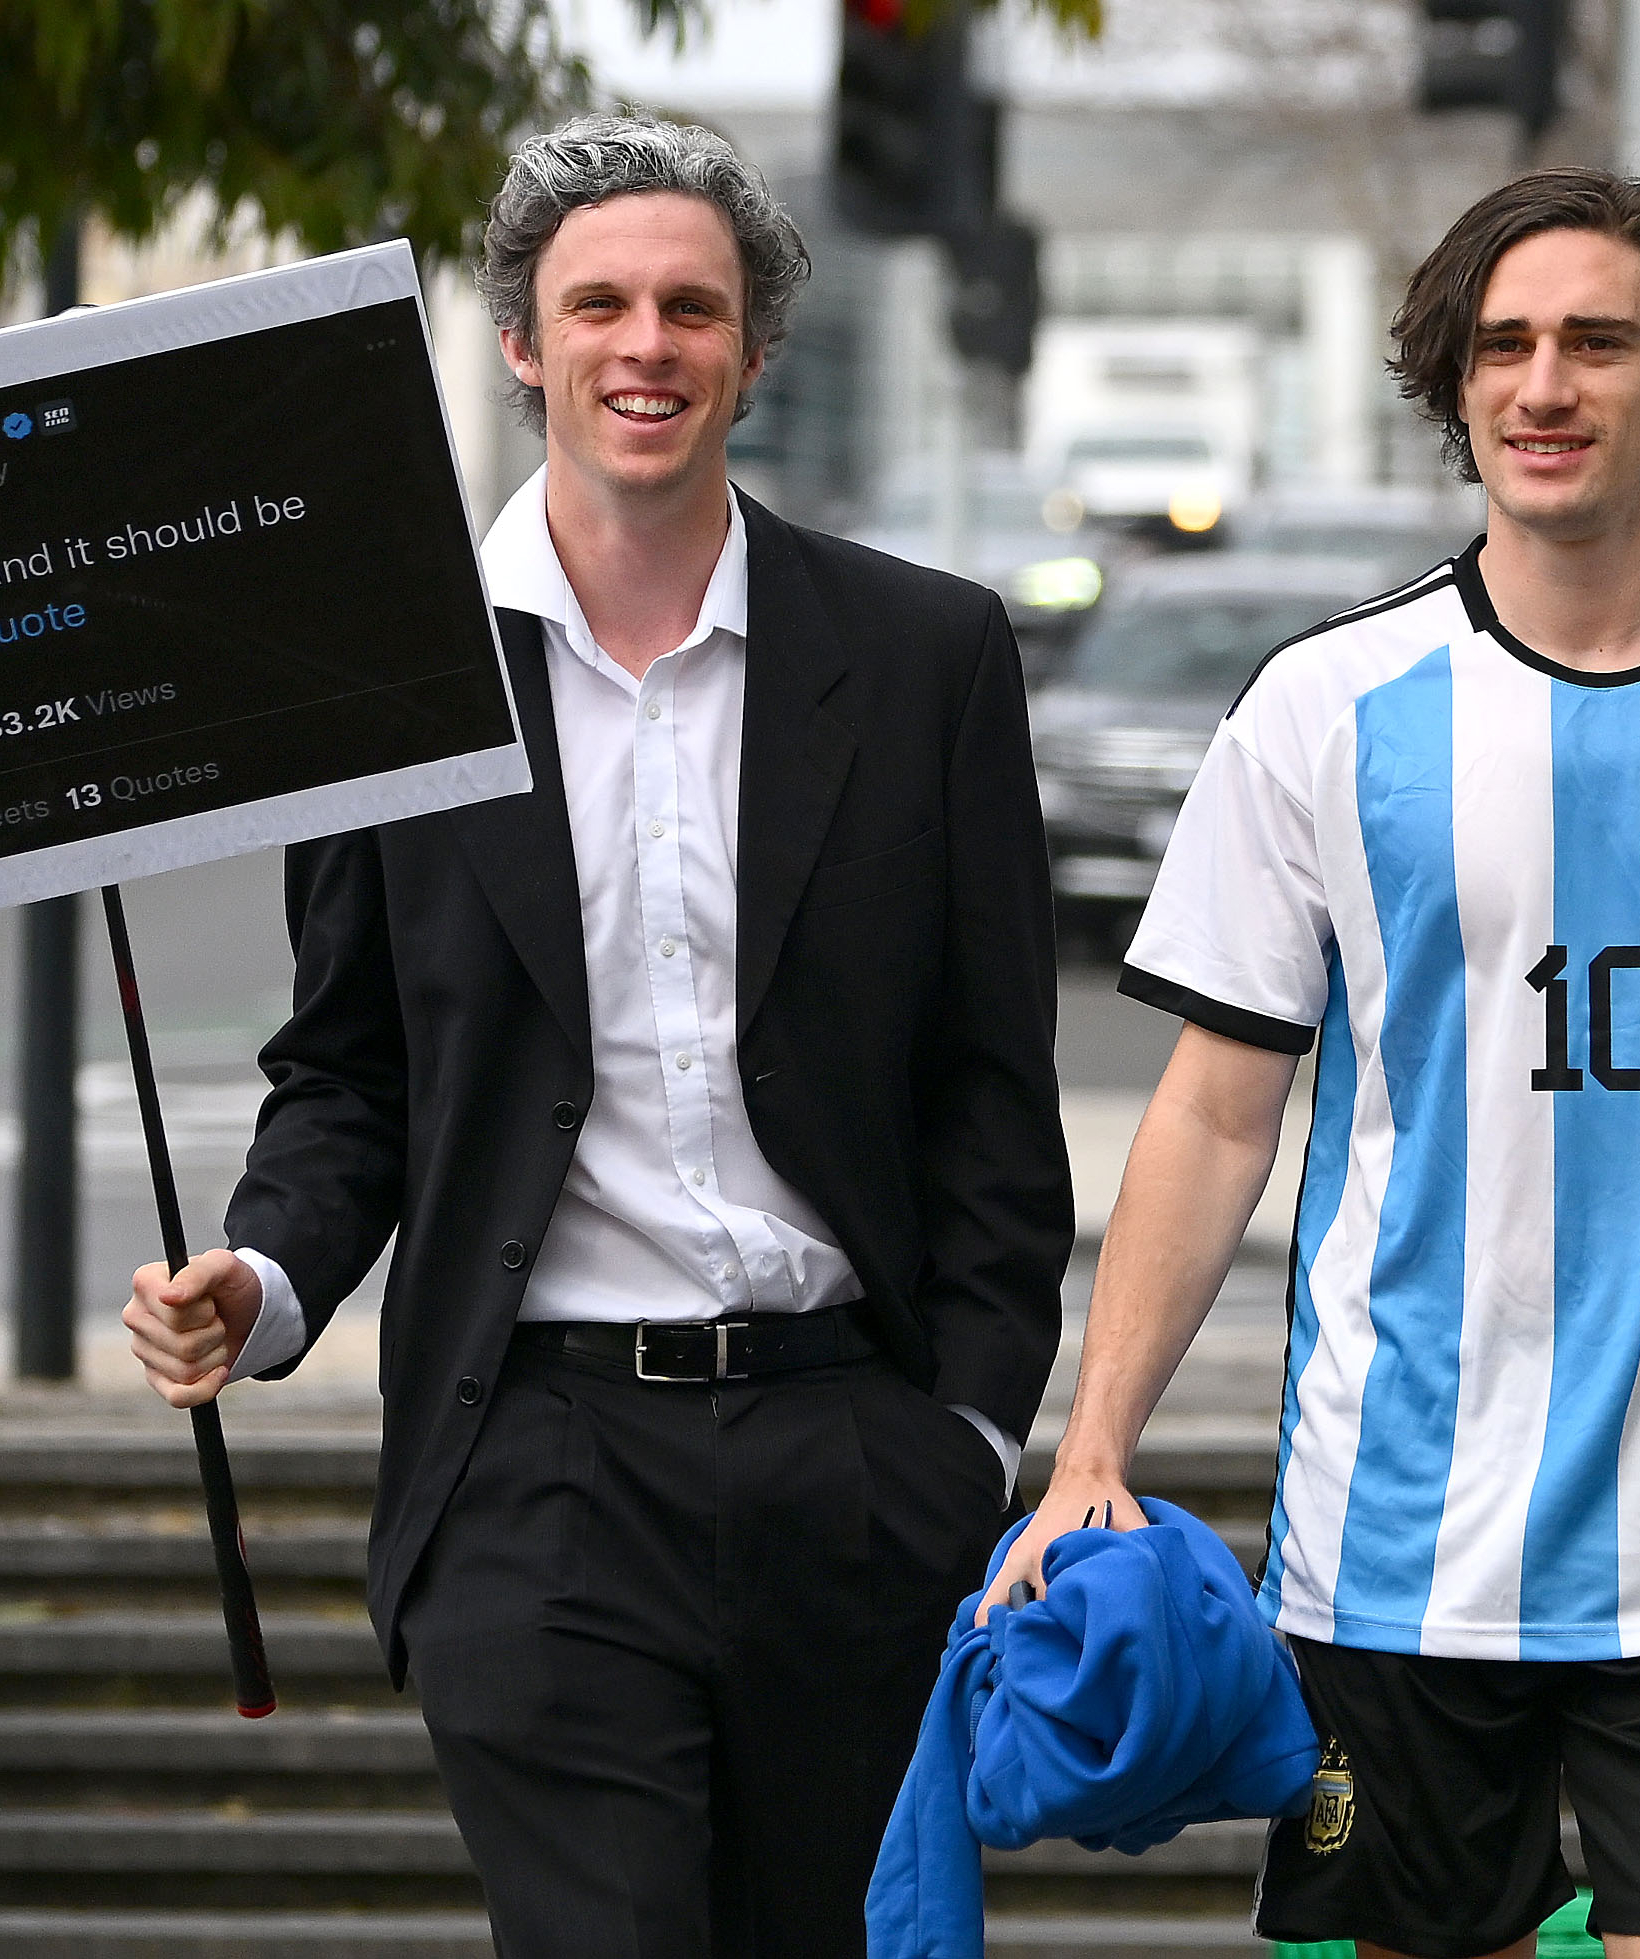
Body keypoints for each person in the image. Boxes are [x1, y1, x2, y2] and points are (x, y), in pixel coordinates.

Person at [990, 167, 1640, 1959]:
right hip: (1395, 1541)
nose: (1543, 386)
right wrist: (1091, 1446)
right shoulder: (1319, 707)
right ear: (1455, 385)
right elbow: (1217, 1106)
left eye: (1597, 342)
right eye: (1503, 346)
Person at [122, 114, 1070, 1957]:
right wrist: (264, 1271)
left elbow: (989, 1090)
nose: (647, 343)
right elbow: (349, 1069)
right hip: (533, 1470)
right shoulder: (381, 681)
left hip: (848, 1452)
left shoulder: (924, 654)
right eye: (602, 304)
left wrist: (961, 1429)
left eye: (690, 307)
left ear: (752, 346)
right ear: (521, 341)